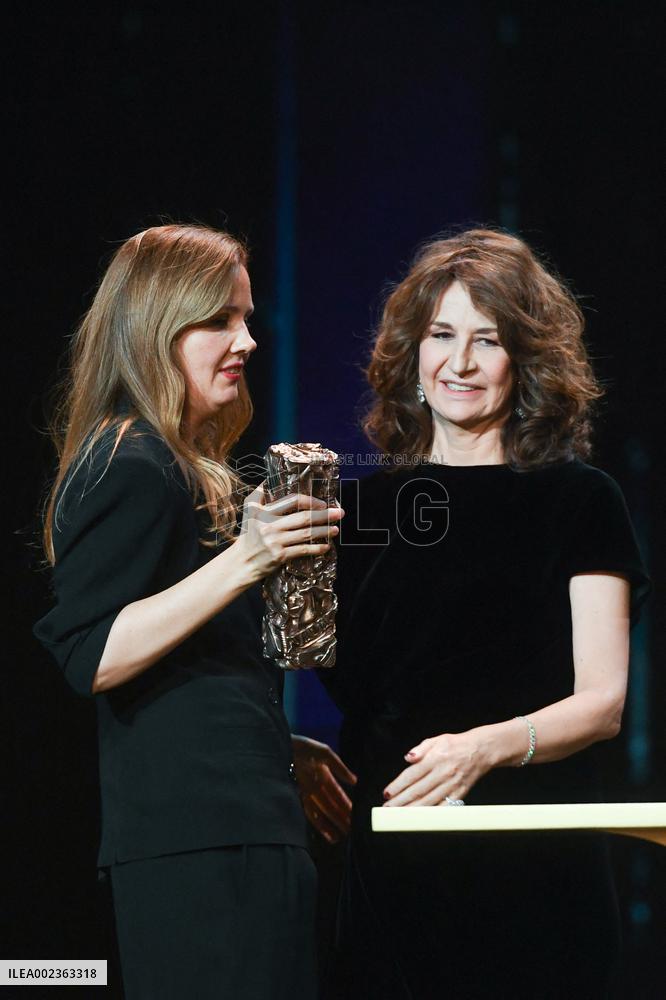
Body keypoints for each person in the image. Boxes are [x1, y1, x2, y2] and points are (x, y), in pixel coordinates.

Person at [322, 229, 651, 999]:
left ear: (525, 358)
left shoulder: (580, 500)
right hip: (392, 868)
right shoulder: (358, 508)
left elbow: (602, 704)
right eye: (440, 336)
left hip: (537, 864)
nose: (459, 364)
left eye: (487, 340)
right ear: (412, 351)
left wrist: (481, 749)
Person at [33, 223, 354, 1000]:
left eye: (246, 317)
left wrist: (273, 742)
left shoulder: (174, 464)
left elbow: (189, 657)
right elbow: (92, 652)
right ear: (155, 329)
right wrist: (249, 558)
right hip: (199, 844)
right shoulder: (129, 460)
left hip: (235, 828)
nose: (245, 340)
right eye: (218, 320)